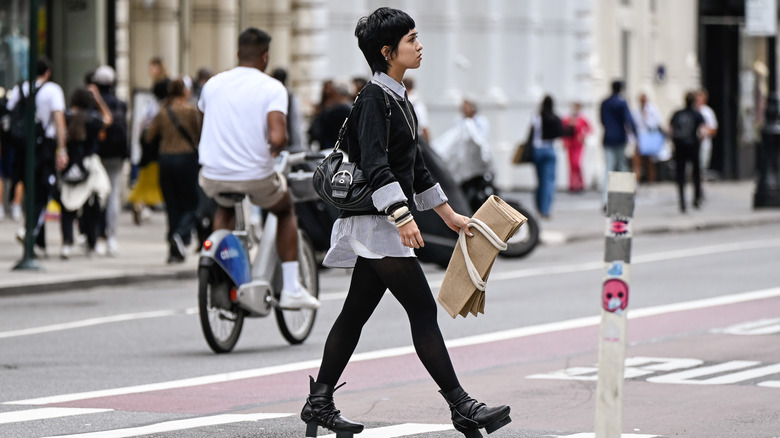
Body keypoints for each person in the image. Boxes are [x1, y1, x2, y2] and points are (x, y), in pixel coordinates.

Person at [300, 8, 511, 438]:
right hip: (375, 223)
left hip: (382, 221)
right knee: (422, 310)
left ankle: (318, 402)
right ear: (387, 51)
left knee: (354, 315)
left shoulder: (398, 97)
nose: (419, 45)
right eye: (411, 39)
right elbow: (377, 166)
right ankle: (461, 406)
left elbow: (414, 167)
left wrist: (448, 215)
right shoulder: (374, 99)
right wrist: (402, 218)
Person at [197, 28, 320, 310]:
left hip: (212, 174)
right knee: (284, 208)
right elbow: (278, 137)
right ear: (265, 56)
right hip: (255, 176)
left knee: (225, 205)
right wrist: (273, 150)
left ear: (238, 53)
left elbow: (203, 125)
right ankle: (291, 288)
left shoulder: (212, 84)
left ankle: (223, 274)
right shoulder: (272, 87)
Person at [8, 57, 67, 257]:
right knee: (44, 191)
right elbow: (59, 119)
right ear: (47, 72)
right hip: (44, 148)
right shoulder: (52, 90)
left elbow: (8, 113)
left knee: (30, 190)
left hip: (23, 148)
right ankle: (30, 230)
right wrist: (62, 149)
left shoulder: (20, 89)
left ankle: (37, 243)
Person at [143, 78, 202, 263]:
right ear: (185, 91)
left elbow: (149, 136)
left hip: (166, 160)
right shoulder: (191, 111)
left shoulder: (163, 112)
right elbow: (201, 133)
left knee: (172, 205)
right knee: (192, 204)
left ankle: (174, 249)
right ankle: (180, 234)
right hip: (186, 159)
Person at [59, 86, 113, 258]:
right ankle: (92, 240)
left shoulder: (66, 116)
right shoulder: (93, 119)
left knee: (68, 205)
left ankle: (67, 242)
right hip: (89, 165)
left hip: (69, 165)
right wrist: (98, 99)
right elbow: (108, 119)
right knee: (93, 205)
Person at [92, 65, 128, 256]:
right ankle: (112, 237)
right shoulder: (120, 104)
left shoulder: (95, 103)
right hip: (115, 155)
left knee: (98, 195)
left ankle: (98, 237)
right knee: (112, 194)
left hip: (97, 154)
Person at [600, 80, 637, 209]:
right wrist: (635, 133)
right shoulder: (622, 103)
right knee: (622, 167)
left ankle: (605, 199)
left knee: (608, 168)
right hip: (620, 138)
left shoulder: (605, 103)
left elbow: (602, 120)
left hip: (608, 137)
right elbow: (628, 119)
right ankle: (623, 199)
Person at [669, 91, 706, 213]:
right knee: (696, 173)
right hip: (693, 146)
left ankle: (682, 201)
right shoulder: (697, 114)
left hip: (679, 147)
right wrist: (700, 142)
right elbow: (703, 132)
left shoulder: (677, 114)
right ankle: (696, 198)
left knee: (680, 174)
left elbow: (670, 131)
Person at [529, 95, 564, 219]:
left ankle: (539, 206)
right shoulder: (555, 118)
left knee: (540, 180)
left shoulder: (537, 117)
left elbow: (531, 135)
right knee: (548, 181)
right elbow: (560, 132)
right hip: (549, 148)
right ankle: (545, 208)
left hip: (538, 150)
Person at [631, 92, 664, 183]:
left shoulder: (653, 110)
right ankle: (637, 180)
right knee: (637, 161)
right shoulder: (636, 112)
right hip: (639, 139)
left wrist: (647, 118)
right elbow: (634, 126)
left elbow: (657, 123)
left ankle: (651, 180)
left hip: (649, 139)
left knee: (650, 162)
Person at [561, 101, 591, 192]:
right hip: (570, 144)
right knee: (571, 165)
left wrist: (583, 135)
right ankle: (572, 184)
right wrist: (564, 141)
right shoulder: (567, 119)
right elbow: (563, 131)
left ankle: (580, 183)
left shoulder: (582, 119)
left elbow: (589, 129)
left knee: (577, 164)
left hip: (578, 144)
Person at [696, 88, 718, 180]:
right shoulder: (693, 110)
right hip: (693, 143)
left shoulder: (708, 112)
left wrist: (706, 132)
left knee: (702, 167)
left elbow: (714, 129)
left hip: (704, 143)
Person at [402, 77, 430, 144]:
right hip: (415, 140)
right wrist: (428, 142)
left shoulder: (398, 100)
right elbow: (424, 125)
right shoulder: (417, 103)